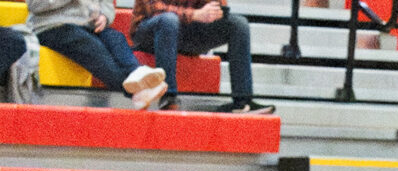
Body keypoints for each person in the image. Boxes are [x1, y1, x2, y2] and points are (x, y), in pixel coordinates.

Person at [129, 0, 273, 112]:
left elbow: (217, 9)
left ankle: (243, 102)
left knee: (238, 25)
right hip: (150, 33)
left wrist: (214, 10)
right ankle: (169, 98)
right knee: (169, 20)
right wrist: (195, 14)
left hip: (185, 29)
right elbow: (155, 9)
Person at [27, 0, 166, 109]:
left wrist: (104, 16)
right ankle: (141, 89)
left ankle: (138, 75)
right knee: (94, 48)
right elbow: (34, 5)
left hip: (88, 26)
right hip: (52, 26)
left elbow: (106, 4)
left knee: (116, 37)